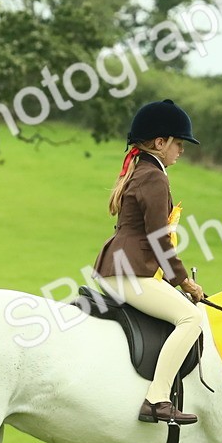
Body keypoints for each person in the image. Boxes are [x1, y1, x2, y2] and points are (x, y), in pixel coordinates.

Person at [93, 99, 204, 425]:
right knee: (191, 318)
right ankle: (157, 399)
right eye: (178, 143)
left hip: (119, 266)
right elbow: (158, 238)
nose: (181, 150)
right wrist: (184, 281)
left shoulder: (140, 169)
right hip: (131, 271)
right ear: (160, 142)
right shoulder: (155, 177)